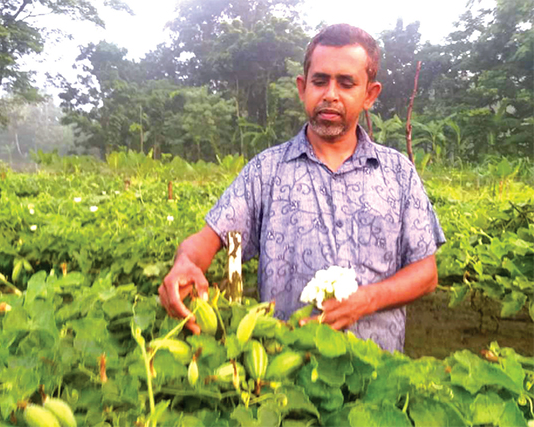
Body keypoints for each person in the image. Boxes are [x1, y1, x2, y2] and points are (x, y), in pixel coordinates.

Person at [159, 23, 445, 353]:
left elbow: (426, 274)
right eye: (320, 81)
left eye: (346, 83)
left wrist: (366, 300)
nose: (330, 94)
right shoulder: (266, 171)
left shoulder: (398, 173)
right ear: (302, 87)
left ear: (370, 95)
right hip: (283, 370)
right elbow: (205, 241)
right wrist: (185, 264)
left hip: (377, 372)